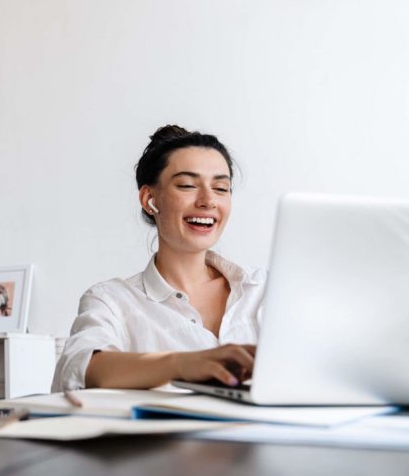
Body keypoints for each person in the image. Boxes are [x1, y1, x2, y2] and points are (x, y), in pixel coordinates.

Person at [52, 125, 266, 392]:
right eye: (187, 185)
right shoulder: (111, 300)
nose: (208, 200)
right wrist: (182, 364)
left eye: (221, 188)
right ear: (149, 199)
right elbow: (80, 369)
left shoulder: (265, 291)